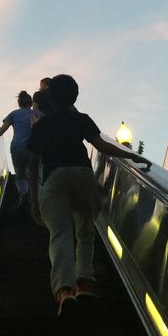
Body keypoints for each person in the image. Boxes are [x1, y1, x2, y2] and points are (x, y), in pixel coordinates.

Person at [25, 74, 151, 314]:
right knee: (85, 231)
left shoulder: (41, 126)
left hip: (54, 180)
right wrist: (132, 155)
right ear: (75, 96)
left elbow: (32, 166)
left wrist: (34, 201)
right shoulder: (81, 119)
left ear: (50, 98)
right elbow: (102, 146)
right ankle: (84, 281)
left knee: (60, 234)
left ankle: (64, 289)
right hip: (82, 175)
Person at [0, 91, 35, 203]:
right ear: (31, 103)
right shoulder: (37, 113)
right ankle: (35, 197)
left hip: (17, 147)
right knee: (34, 173)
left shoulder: (14, 114)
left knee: (20, 174)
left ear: (19, 103)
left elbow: (1, 131)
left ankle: (24, 195)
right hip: (34, 147)